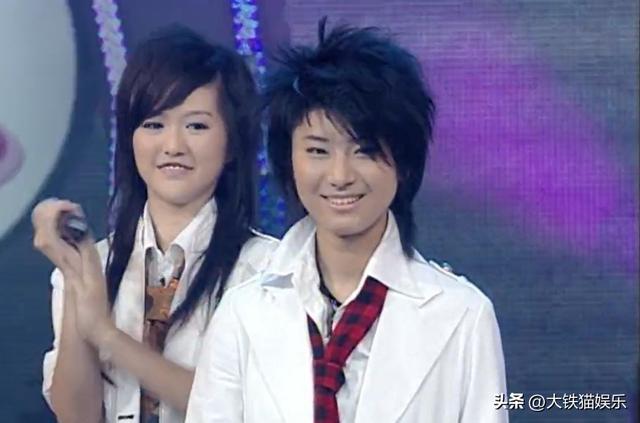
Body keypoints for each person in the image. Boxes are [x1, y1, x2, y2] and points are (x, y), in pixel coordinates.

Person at [186, 19, 508, 423]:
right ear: (289, 161)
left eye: (364, 151)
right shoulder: (243, 312)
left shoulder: (463, 315)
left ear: (403, 162)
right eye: (318, 151)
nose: (340, 176)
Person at [32, 25, 277, 423]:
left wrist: (108, 336)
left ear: (232, 143)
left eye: (196, 126)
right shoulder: (97, 263)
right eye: (153, 124)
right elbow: (76, 417)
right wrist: (78, 280)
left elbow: (244, 407)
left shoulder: (270, 271)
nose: (173, 146)